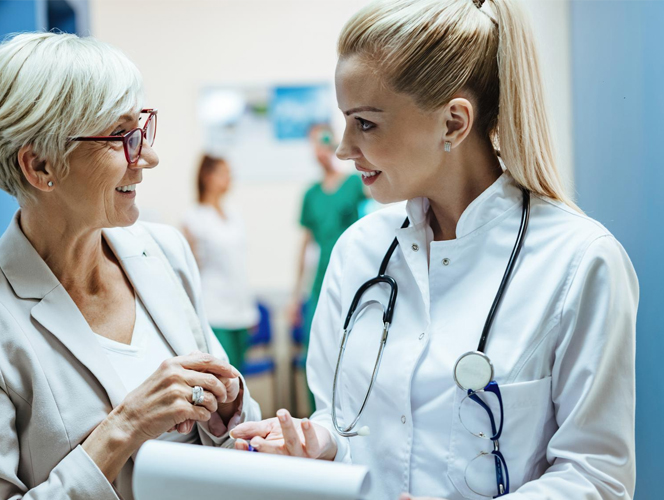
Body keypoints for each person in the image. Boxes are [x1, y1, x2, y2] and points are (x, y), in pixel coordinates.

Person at [232, 1, 638, 499]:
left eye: (365, 123)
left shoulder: (580, 261)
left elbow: (596, 477)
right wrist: (320, 443)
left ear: (452, 123)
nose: (342, 149)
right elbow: (346, 424)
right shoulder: (357, 253)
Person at [0, 33, 260, 499]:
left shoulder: (164, 252)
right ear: (40, 166)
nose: (148, 157)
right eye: (120, 136)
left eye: (143, 129)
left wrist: (229, 409)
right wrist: (124, 428)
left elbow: (230, 439)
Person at [288, 123, 368, 411]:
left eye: (324, 141)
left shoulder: (356, 184)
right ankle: (321, 418)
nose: (319, 149)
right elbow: (305, 247)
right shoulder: (311, 194)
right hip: (320, 279)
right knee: (317, 352)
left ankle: (354, 416)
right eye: (314, 144)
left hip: (356, 276)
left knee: (354, 351)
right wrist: (296, 297)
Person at [183, 155, 259, 370]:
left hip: (241, 311)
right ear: (207, 177)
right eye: (223, 174)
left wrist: (250, 310)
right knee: (223, 378)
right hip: (214, 311)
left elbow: (239, 266)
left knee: (241, 378)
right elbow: (189, 270)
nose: (229, 179)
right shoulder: (193, 218)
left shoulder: (234, 214)